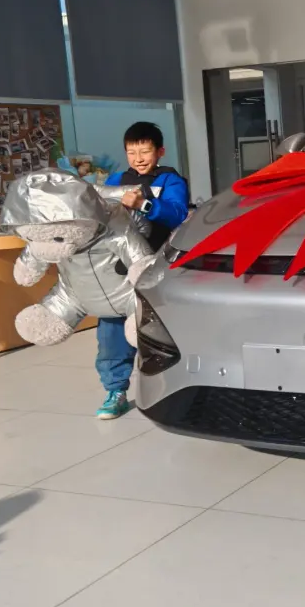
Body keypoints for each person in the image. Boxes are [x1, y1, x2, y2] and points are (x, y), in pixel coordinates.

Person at [95, 121, 189, 419]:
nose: (138, 158)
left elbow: (178, 214)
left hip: (157, 266)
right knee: (111, 330)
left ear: (160, 151)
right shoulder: (116, 180)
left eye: (145, 151)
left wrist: (145, 204)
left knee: (159, 328)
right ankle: (115, 390)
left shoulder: (170, 180)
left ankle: (173, 387)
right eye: (132, 152)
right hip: (119, 269)